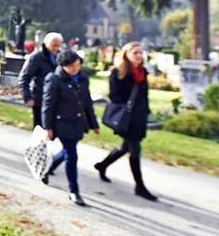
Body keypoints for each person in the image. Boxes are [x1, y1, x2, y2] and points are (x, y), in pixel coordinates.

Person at [94, 42, 158, 201]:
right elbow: (114, 95)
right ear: (126, 54)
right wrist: (128, 106)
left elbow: (144, 95)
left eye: (140, 52)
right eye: (135, 52)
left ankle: (102, 165)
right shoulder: (118, 72)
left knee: (125, 148)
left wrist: (146, 111)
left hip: (139, 117)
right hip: (126, 118)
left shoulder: (142, 72)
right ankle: (140, 186)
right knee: (134, 149)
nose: (138, 55)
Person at [41, 51, 100, 206]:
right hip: (61, 123)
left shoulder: (82, 78)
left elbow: (87, 102)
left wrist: (94, 124)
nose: (75, 68)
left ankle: (47, 168)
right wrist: (48, 127)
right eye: (71, 66)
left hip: (77, 122)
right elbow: (47, 105)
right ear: (63, 66)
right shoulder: (53, 79)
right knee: (72, 155)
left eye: (77, 65)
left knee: (68, 151)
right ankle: (74, 191)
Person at [18, 32, 64, 127]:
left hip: (57, 101)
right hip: (40, 99)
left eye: (58, 45)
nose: (56, 48)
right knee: (40, 131)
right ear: (46, 43)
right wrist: (27, 98)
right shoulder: (36, 57)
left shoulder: (61, 58)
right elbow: (24, 78)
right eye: (53, 45)